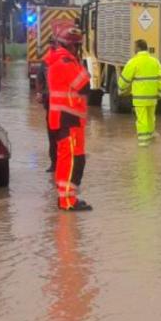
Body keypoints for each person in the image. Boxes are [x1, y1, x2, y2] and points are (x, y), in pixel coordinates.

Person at [48, 28, 92, 211]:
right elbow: (84, 86)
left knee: (74, 159)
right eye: (78, 46)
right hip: (68, 119)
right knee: (70, 160)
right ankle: (67, 201)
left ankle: (68, 198)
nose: (78, 49)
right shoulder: (65, 62)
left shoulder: (62, 60)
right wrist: (83, 69)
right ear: (71, 46)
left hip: (69, 119)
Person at [117, 39, 161, 146]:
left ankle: (143, 144)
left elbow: (124, 80)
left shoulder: (133, 62)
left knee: (142, 120)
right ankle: (152, 140)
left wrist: (121, 89)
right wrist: (160, 93)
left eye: (134, 47)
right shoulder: (155, 62)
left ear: (138, 48)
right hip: (153, 97)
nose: (133, 49)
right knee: (151, 118)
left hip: (140, 98)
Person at [37, 37, 61, 173]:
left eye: (54, 44)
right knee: (52, 136)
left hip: (64, 106)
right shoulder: (46, 61)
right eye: (51, 44)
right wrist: (39, 94)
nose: (52, 46)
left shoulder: (66, 60)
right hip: (50, 104)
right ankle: (54, 163)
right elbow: (39, 80)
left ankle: (63, 163)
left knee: (62, 137)